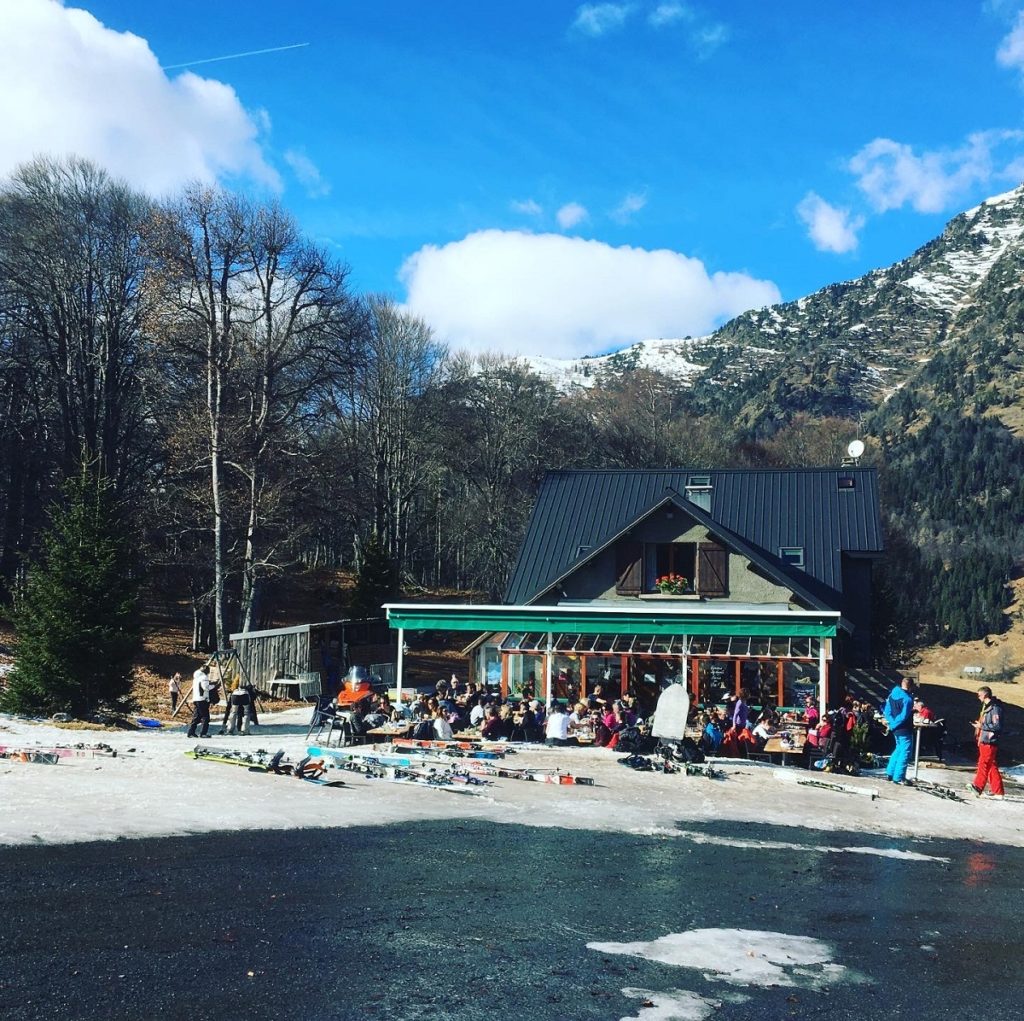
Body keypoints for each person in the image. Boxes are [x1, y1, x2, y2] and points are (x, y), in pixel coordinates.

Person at [970, 686, 1005, 799]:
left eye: (979, 695)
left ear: (985, 695)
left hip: (990, 741)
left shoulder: (994, 708)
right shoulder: (987, 707)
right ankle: (998, 791)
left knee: (983, 764)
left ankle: (978, 787)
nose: (978, 697)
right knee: (991, 765)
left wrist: (982, 726)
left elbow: (997, 726)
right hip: (984, 740)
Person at [882, 676, 915, 784]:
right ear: (910, 687)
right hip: (904, 728)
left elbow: (887, 710)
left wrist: (891, 723)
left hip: (895, 728)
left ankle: (890, 773)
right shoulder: (908, 699)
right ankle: (899, 777)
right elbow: (904, 716)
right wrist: (895, 724)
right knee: (905, 752)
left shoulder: (892, 694)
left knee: (898, 750)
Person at [186, 667, 211, 739]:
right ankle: (203, 733)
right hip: (202, 699)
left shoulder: (196, 678)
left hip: (196, 698)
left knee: (196, 717)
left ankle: (191, 732)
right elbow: (205, 687)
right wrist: (213, 686)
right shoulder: (204, 677)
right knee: (205, 717)